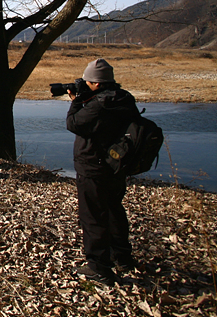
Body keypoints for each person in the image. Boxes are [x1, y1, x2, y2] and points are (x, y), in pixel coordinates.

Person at [66, 58, 141, 285]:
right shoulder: (124, 99)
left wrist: (76, 101)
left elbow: (74, 123)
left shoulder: (100, 105)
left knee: (93, 216)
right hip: (116, 165)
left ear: (97, 83)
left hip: (93, 167)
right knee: (113, 210)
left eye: (88, 81)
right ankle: (123, 257)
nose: (86, 84)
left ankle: (99, 267)